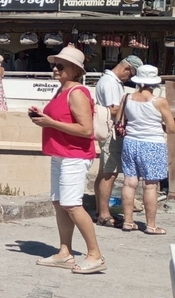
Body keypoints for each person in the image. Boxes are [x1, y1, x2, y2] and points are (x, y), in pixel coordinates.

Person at [28, 45, 105, 274]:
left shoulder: (77, 92)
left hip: (74, 155)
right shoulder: (61, 90)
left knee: (72, 204)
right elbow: (62, 119)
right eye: (54, 64)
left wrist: (50, 123)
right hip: (60, 153)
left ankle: (95, 255)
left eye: (60, 66)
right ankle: (65, 252)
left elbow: (85, 130)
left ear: (74, 70)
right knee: (59, 203)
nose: (55, 68)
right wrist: (43, 115)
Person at [118, 64, 175, 235]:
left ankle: (128, 221)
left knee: (129, 182)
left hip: (130, 142)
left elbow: (120, 119)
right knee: (150, 186)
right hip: (152, 144)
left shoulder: (127, 97)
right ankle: (151, 225)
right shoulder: (159, 102)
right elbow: (171, 128)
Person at [92, 55, 142, 228]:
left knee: (104, 171)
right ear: (126, 69)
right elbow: (114, 109)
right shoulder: (112, 83)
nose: (129, 78)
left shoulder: (107, 81)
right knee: (110, 172)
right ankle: (104, 214)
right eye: (130, 74)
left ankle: (100, 210)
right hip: (112, 131)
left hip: (107, 130)